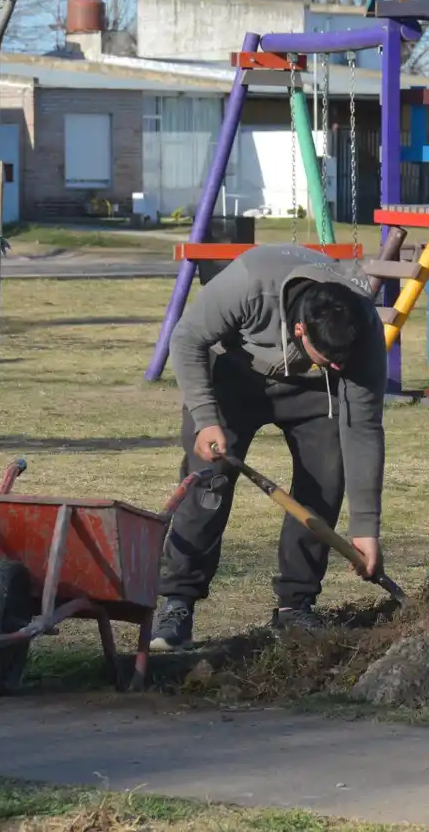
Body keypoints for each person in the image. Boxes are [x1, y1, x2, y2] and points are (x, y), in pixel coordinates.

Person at [150, 243, 387, 651]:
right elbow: (186, 339)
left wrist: (365, 528)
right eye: (328, 358)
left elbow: (363, 428)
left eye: (343, 360)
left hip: (314, 396)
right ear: (300, 330)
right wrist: (207, 419)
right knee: (208, 484)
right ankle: (177, 605)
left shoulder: (361, 326)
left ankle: (295, 607)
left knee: (325, 481)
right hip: (233, 375)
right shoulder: (250, 284)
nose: (339, 367)